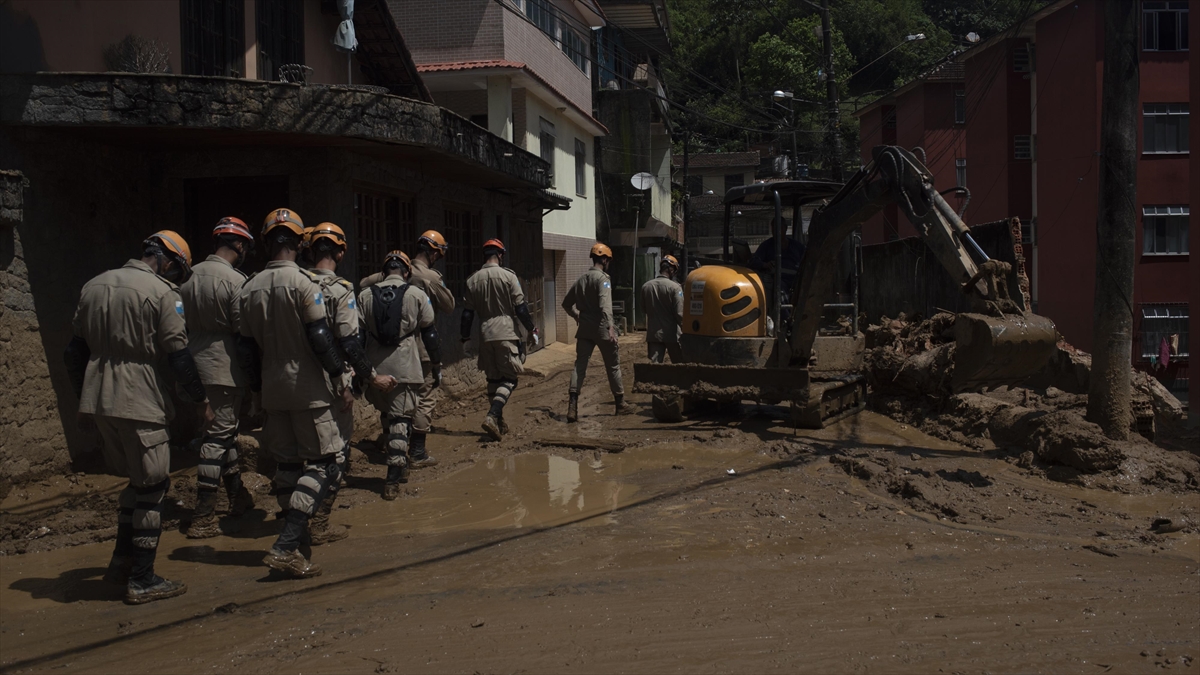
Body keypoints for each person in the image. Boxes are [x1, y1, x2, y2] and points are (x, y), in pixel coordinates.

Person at [64, 230, 212, 604]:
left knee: (136, 481)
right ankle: (143, 579)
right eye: (176, 271)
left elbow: (74, 352)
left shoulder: (93, 286)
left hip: (99, 396)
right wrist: (200, 400)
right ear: (166, 260)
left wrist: (83, 401)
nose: (174, 278)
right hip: (138, 395)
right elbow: (178, 355)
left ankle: (120, 563)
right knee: (154, 486)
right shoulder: (163, 294)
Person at [239, 208, 357, 578]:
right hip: (308, 387)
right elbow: (321, 338)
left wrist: (257, 391)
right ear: (299, 243)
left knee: (288, 467)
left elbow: (245, 351)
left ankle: (298, 541)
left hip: (273, 387)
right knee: (323, 463)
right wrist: (340, 378)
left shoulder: (248, 288)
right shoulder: (306, 284)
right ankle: (287, 544)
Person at [302, 222, 393, 542]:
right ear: (340, 251)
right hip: (329, 382)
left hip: (286, 381)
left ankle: (290, 519)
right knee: (333, 455)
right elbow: (350, 343)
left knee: (291, 458)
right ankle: (315, 524)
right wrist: (369, 376)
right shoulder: (340, 289)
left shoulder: (294, 283)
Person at [180, 217, 257, 539]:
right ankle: (204, 515)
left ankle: (237, 494)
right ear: (238, 245)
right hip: (222, 367)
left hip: (189, 364)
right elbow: (243, 332)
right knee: (217, 438)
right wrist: (253, 378)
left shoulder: (187, 276)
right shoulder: (236, 281)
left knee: (220, 432)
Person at [357, 250, 440, 500]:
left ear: (384, 271)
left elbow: (358, 337)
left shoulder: (364, 295)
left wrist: (360, 369)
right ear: (407, 271)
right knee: (400, 420)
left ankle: (399, 464)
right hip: (405, 365)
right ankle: (394, 478)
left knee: (386, 414)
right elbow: (430, 333)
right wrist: (436, 363)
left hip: (374, 367)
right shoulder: (417, 295)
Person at [460, 239, 539, 441]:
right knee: (510, 378)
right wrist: (531, 329)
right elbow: (520, 308)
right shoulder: (508, 276)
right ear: (500, 255)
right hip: (505, 332)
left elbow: (467, 314)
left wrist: (465, 338)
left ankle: (498, 421)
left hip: (485, 334)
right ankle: (493, 414)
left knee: (493, 379)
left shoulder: (472, 280)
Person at [562, 243, 634, 422]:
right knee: (613, 365)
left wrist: (576, 316)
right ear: (603, 259)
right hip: (601, 327)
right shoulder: (603, 279)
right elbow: (605, 306)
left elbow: (565, 303)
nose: (608, 263)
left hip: (584, 328)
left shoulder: (581, 279)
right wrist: (611, 327)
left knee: (580, 365)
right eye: (608, 260)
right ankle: (620, 404)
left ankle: (572, 406)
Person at [404, 231, 455, 468]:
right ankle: (417, 452)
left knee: (398, 397)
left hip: (393, 348)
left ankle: (391, 441)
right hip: (422, 346)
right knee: (424, 397)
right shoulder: (429, 277)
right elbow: (449, 305)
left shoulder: (395, 271)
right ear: (434, 252)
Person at [640, 254, 684, 364]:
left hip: (654, 334)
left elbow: (644, 309)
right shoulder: (675, 288)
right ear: (671, 270)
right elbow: (680, 314)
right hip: (672, 335)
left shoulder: (646, 286)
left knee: (654, 368)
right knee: (679, 365)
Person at [748, 217, 806, 300]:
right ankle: (785, 312)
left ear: (785, 228)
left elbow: (807, 262)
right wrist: (765, 265)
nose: (776, 232)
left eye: (779, 228)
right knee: (780, 293)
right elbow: (753, 261)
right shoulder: (766, 246)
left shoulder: (797, 247)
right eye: (774, 229)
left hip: (797, 280)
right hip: (779, 280)